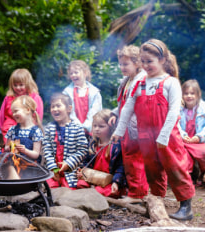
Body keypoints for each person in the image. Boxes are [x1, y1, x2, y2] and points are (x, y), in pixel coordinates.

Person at [111, 39, 195, 220]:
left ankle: (186, 207)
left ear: (162, 60)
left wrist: (163, 136)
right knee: (152, 168)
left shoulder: (170, 82)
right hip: (145, 135)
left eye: (150, 61)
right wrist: (119, 131)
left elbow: (174, 111)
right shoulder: (139, 82)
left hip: (167, 136)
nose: (145, 65)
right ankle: (157, 201)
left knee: (174, 167)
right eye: (143, 61)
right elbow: (127, 108)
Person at [108, 45, 149, 203]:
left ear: (137, 63)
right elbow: (123, 104)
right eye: (120, 64)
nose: (122, 67)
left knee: (136, 159)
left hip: (136, 129)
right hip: (125, 128)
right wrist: (115, 113)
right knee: (128, 159)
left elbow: (138, 106)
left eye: (125, 64)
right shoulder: (127, 81)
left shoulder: (142, 81)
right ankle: (133, 190)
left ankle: (138, 193)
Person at [77, 110, 126, 197]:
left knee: (103, 191)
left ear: (111, 127)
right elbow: (86, 161)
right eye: (95, 126)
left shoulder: (115, 146)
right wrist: (82, 171)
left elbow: (120, 167)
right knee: (80, 184)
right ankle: (91, 191)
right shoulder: (93, 144)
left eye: (101, 126)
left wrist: (116, 182)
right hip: (93, 177)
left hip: (108, 180)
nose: (97, 129)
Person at [43, 93, 88, 189]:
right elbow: (47, 150)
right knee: (49, 186)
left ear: (69, 109)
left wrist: (68, 163)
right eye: (52, 107)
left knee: (72, 187)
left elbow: (83, 150)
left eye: (58, 106)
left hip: (71, 169)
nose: (55, 109)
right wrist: (54, 169)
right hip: (54, 169)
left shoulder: (77, 128)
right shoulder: (49, 128)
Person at [0, 68, 43, 143]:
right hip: (10, 128)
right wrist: (2, 127)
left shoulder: (34, 97)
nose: (18, 88)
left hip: (28, 128)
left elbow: (38, 114)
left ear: (28, 83)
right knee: (11, 149)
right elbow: (2, 115)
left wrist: (35, 127)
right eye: (15, 85)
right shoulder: (9, 98)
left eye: (21, 85)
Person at [62, 60, 102, 135]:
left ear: (85, 73)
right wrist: (79, 128)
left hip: (92, 130)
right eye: (71, 73)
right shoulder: (67, 93)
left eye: (76, 72)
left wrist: (86, 127)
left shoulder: (94, 92)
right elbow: (69, 112)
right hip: (73, 131)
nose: (73, 75)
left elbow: (95, 111)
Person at [179, 79, 205, 184]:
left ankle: (203, 173)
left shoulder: (203, 108)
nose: (189, 96)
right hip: (184, 140)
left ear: (198, 95)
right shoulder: (178, 109)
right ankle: (187, 176)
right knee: (183, 154)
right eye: (186, 93)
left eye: (192, 93)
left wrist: (199, 137)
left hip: (198, 140)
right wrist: (183, 136)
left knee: (202, 152)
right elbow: (175, 125)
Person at [4, 95, 43, 163]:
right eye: (13, 112)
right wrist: (8, 147)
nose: (13, 114)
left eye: (16, 111)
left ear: (28, 110)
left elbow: (36, 154)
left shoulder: (36, 132)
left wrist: (25, 151)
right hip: (14, 164)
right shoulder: (12, 130)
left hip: (30, 167)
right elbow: (6, 148)